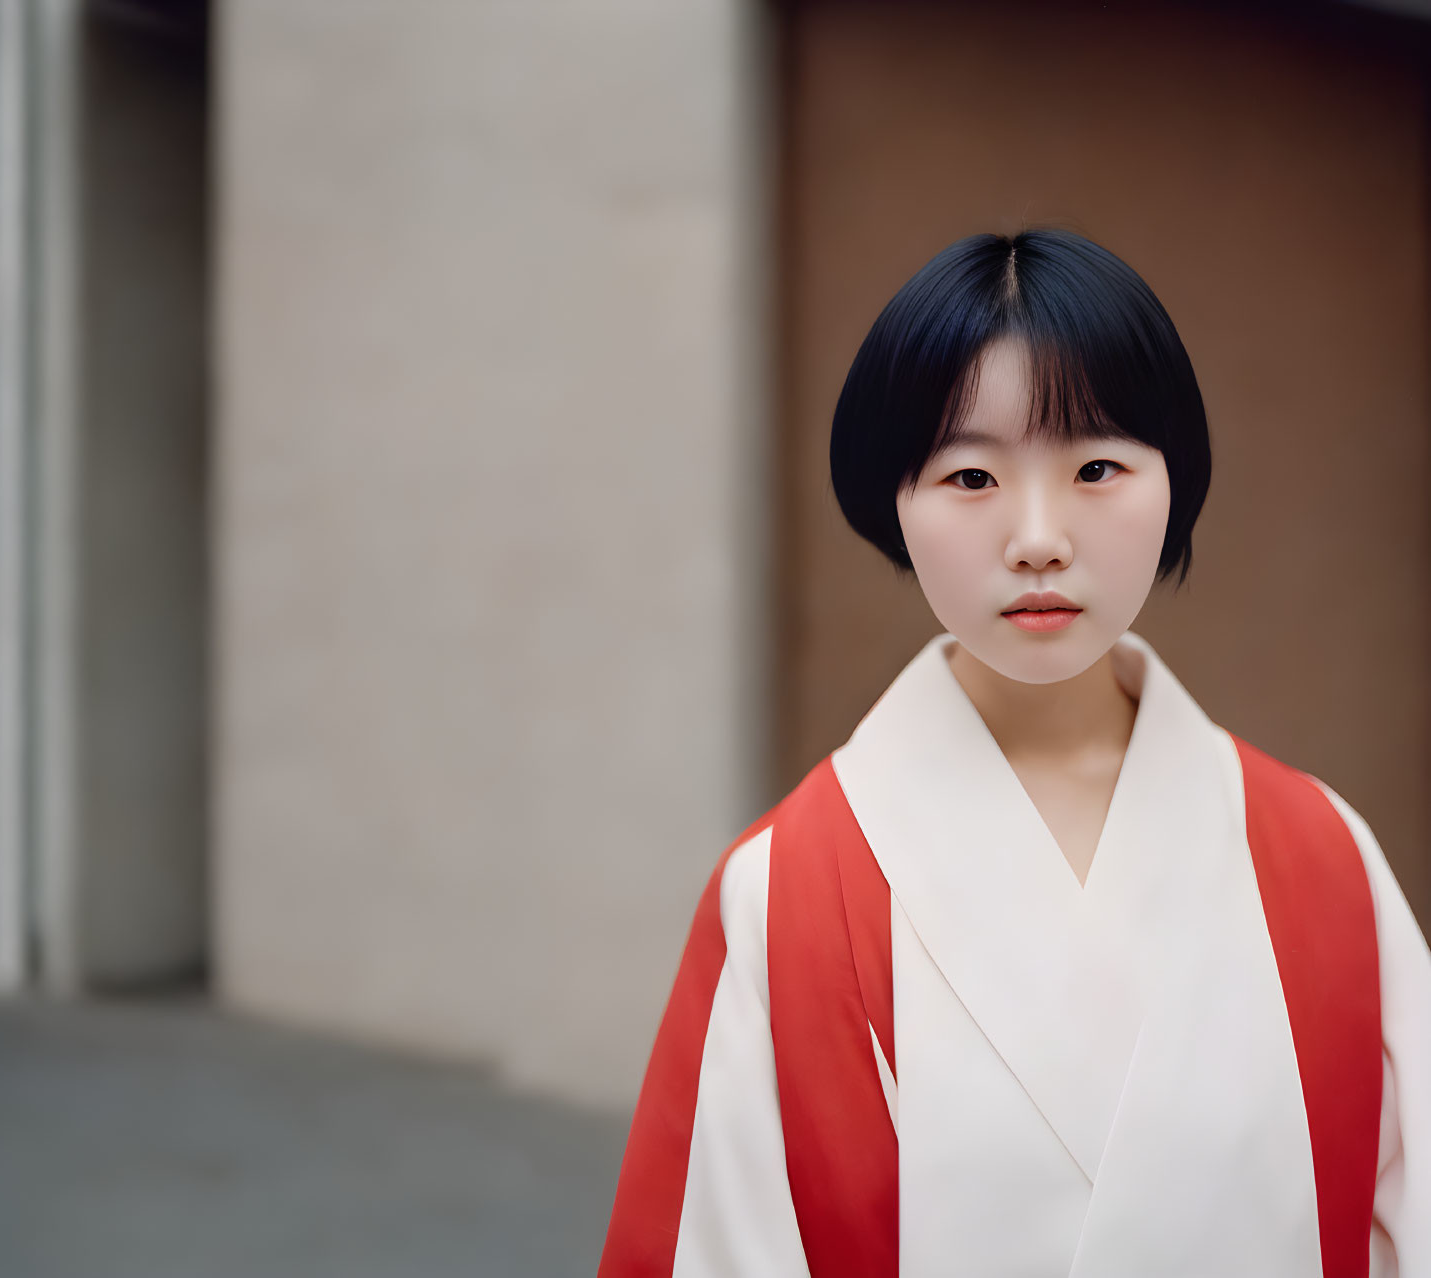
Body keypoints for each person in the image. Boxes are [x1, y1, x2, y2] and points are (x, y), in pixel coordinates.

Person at [596, 229, 1431, 1277]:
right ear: (891, 503)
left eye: (1093, 467)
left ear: (1174, 481)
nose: (1037, 536)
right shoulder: (785, 890)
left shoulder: (1318, 859)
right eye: (969, 477)